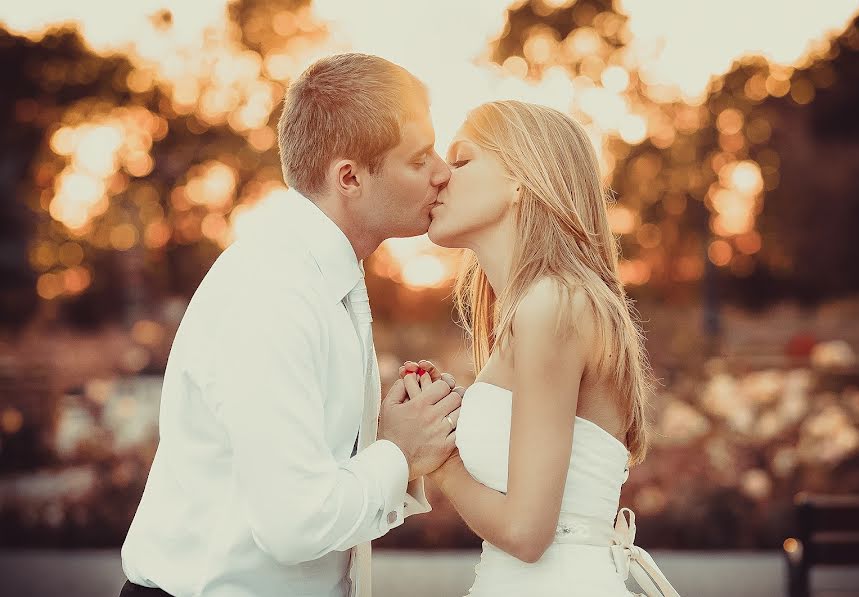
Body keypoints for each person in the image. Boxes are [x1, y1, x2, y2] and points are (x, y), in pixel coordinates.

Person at [119, 53, 463, 597]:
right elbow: (295, 524)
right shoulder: (274, 293)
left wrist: (386, 440)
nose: (443, 172)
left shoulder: (328, 278)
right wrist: (395, 452)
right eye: (420, 159)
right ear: (349, 177)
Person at [405, 100, 681, 596]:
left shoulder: (552, 304)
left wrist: (441, 460)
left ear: (521, 179)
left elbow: (526, 533)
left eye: (462, 159)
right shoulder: (542, 307)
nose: (441, 175)